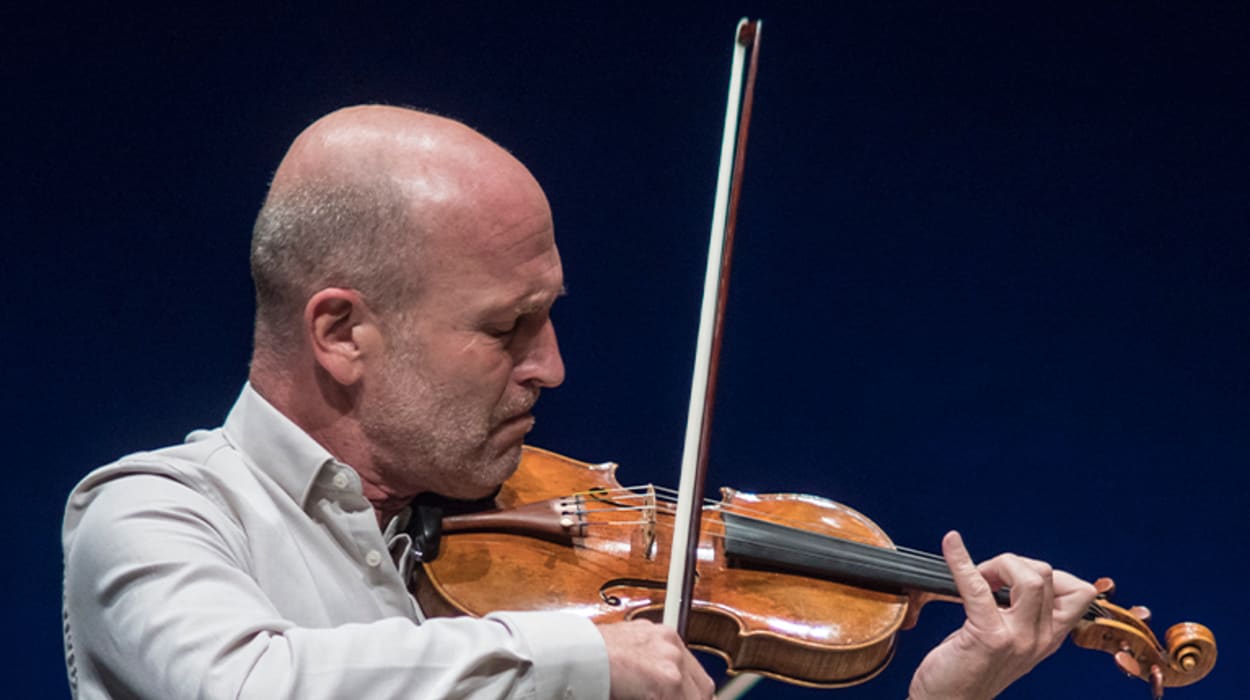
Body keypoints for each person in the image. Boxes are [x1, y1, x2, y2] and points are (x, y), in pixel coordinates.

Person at [62, 105, 1097, 700]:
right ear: (341, 333)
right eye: (507, 327)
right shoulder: (156, 513)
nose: (551, 367)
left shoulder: (513, 564)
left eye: (549, 317)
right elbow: (243, 685)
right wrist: (579, 658)